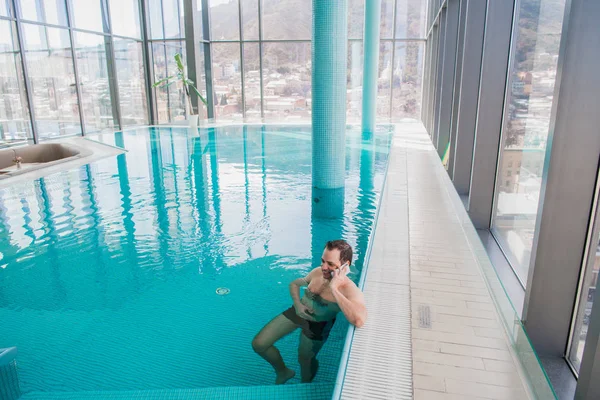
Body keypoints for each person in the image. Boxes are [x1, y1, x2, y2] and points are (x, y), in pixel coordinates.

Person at [252, 240, 367, 384]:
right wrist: (298, 304)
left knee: (304, 359)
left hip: (318, 325)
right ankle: (283, 372)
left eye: (330, 264)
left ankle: (305, 386)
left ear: (345, 266)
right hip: (298, 312)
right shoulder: (317, 272)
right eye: (322, 261)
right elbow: (294, 284)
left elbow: (359, 320)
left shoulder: (349, 290)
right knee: (259, 344)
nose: (324, 267)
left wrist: (334, 288)